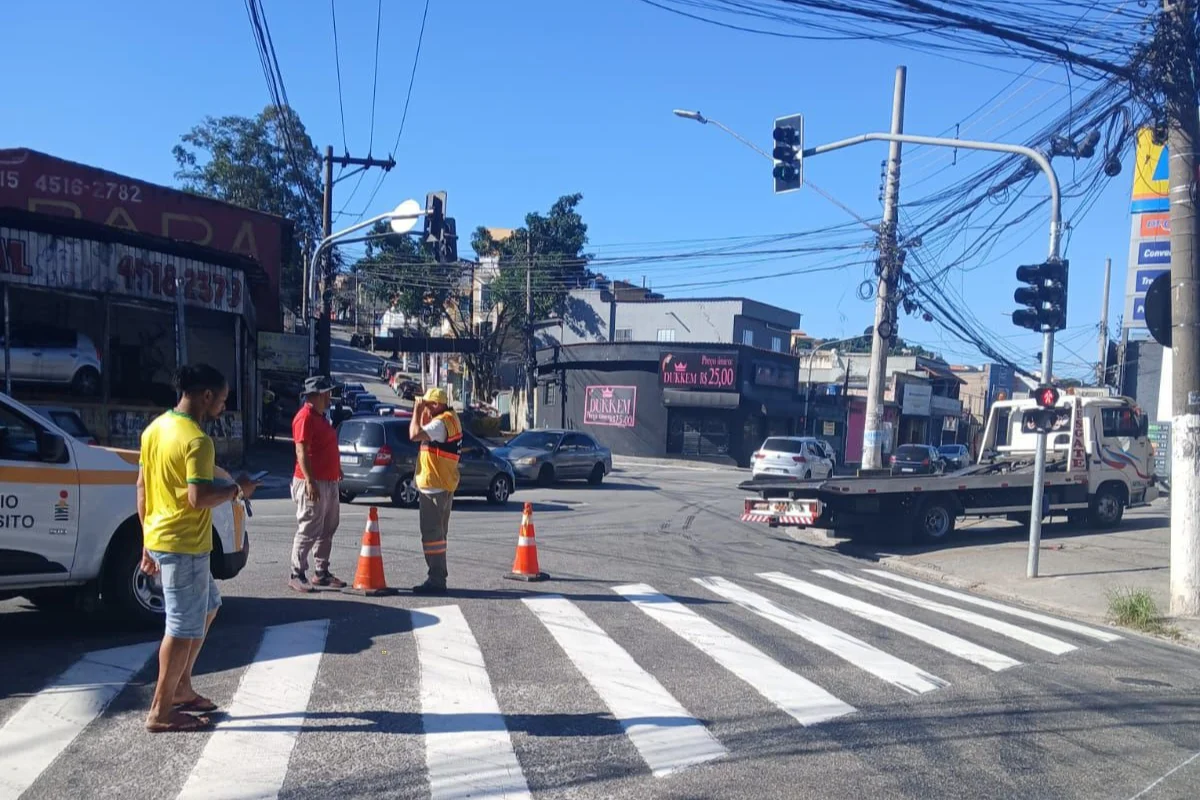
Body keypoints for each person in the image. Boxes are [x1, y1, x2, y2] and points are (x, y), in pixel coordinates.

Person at [139, 364, 257, 733]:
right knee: (180, 627)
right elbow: (199, 498)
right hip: (184, 544)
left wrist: (146, 542)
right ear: (206, 396)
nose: (222, 406)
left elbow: (141, 487)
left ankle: (181, 687)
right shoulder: (197, 440)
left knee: (208, 607)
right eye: (222, 400)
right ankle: (160, 710)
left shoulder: (155, 429)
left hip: (162, 538)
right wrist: (238, 490)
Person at [289, 375, 346, 592]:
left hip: (328, 480)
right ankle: (296, 572)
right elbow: (301, 450)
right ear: (320, 395)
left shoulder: (320, 417)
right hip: (312, 481)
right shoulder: (305, 417)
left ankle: (321, 572)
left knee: (328, 527)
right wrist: (310, 481)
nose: (331, 397)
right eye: (328, 393)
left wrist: (336, 468)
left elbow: (324, 447)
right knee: (309, 527)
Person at [408, 387, 462, 595]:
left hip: (435, 486)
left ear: (437, 405)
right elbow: (423, 428)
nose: (425, 408)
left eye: (429, 404)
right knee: (439, 536)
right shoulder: (450, 418)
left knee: (432, 536)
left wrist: (416, 410)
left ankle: (436, 579)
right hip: (443, 483)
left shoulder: (440, 424)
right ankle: (438, 576)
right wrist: (423, 410)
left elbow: (414, 433)